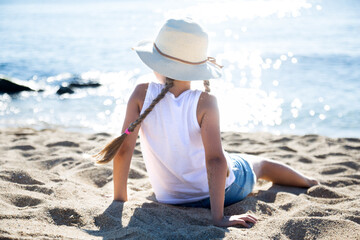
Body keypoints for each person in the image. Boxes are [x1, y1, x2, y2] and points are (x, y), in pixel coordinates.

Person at [95, 18, 318, 228]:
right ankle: (308, 181)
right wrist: (218, 218)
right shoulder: (205, 102)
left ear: (157, 61)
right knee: (258, 164)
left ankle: (307, 180)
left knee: (235, 158)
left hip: (169, 197)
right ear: (196, 67)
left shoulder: (140, 94)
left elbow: (124, 149)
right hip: (219, 194)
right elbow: (215, 160)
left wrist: (119, 198)